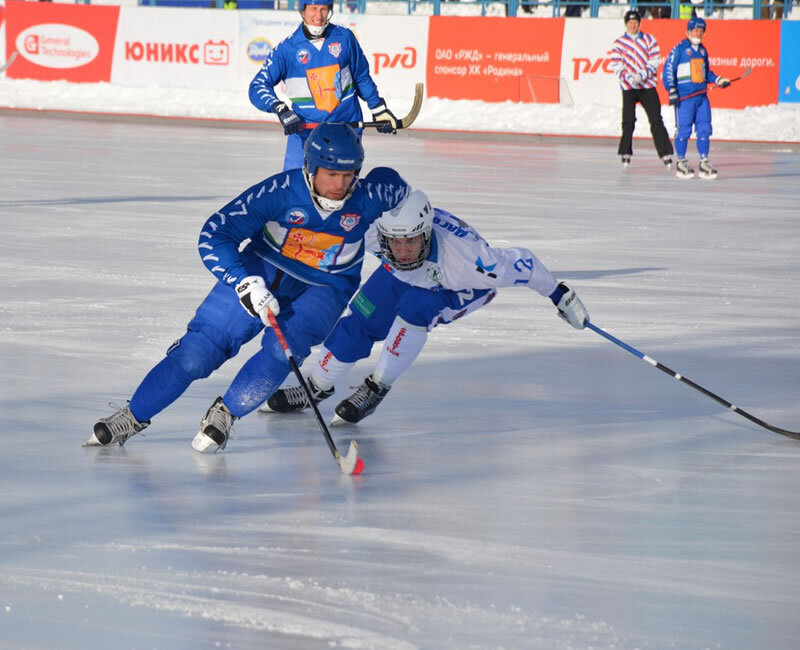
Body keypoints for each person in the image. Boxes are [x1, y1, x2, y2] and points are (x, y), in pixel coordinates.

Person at [88, 123, 410, 453]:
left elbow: (406, 197)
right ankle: (134, 414)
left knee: (283, 351)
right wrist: (242, 281)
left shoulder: (370, 195)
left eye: (348, 175)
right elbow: (215, 233)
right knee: (197, 354)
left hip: (327, 286)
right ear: (311, 167)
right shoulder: (280, 192)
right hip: (262, 267)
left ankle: (227, 412)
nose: (340, 186)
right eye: (330, 174)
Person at [262, 190, 589, 425]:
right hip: (403, 276)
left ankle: (377, 386)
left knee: (415, 308)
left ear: (426, 233)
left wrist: (561, 295)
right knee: (358, 321)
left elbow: (527, 265)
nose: (403, 249)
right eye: (396, 242)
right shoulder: (373, 230)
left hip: (457, 286)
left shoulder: (470, 261)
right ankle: (316, 388)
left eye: (411, 241)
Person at [248, 0, 398, 171]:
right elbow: (257, 86)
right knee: (295, 192)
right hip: (305, 132)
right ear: (302, 11)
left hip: (347, 131)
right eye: (313, 9)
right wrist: (280, 108)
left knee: (341, 191)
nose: (318, 16)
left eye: (323, 9)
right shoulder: (286, 50)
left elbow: (361, 77)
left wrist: (379, 109)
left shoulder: (345, 37)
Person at [663, 17, 730, 180]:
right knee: (683, 130)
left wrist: (718, 79)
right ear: (688, 31)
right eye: (696, 30)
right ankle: (681, 162)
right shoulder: (679, 49)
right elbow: (668, 70)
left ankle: (704, 162)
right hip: (685, 98)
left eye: (701, 31)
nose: (698, 33)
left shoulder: (702, 51)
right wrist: (671, 89)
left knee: (704, 129)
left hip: (701, 98)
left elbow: (706, 72)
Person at [610, 10, 674, 169]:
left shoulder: (649, 40)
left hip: (647, 86)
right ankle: (625, 152)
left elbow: (654, 61)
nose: (633, 25)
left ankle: (665, 153)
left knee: (656, 119)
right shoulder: (619, 43)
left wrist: (642, 74)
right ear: (626, 24)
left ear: (639, 23)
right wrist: (628, 77)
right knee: (628, 121)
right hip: (629, 87)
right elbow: (616, 65)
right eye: (630, 23)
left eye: (636, 22)